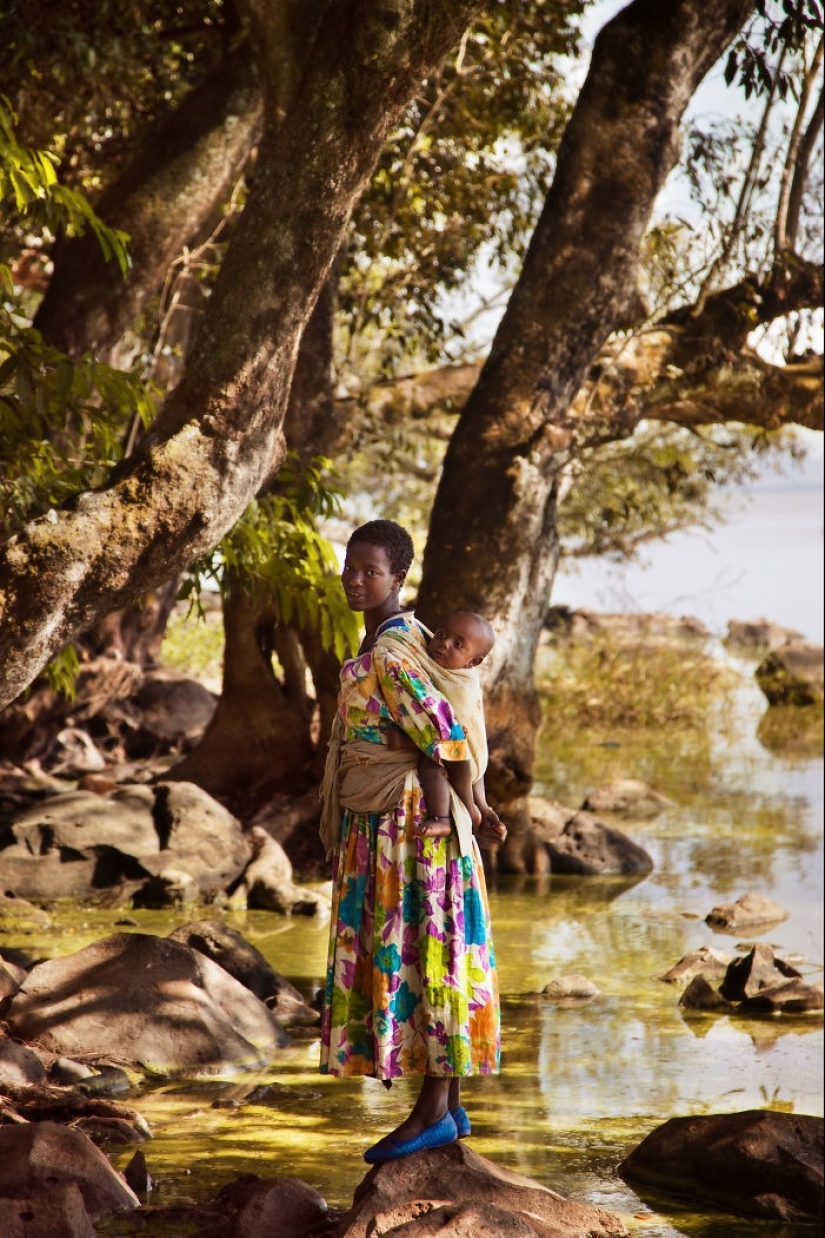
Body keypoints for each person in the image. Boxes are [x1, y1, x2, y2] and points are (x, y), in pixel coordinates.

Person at [318, 519, 504, 1163]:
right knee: (430, 949)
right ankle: (446, 1107)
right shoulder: (393, 641)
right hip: (391, 818)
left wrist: (453, 788)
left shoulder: (397, 650)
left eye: (371, 571)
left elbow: (448, 731)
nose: (356, 579)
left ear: (399, 579)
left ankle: (433, 1111)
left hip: (410, 826)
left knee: (431, 952)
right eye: (351, 567)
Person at [412, 610, 506, 843]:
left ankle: (443, 817)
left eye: (458, 644)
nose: (443, 643)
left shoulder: (456, 677)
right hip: (474, 756)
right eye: (441, 634)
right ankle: (482, 806)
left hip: (459, 753)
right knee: (470, 761)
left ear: (473, 662)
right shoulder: (456, 670)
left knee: (431, 766)